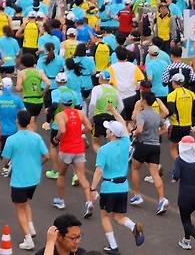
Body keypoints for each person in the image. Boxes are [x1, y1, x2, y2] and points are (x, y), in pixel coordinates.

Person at [90, 111, 145, 254]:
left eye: (108, 129)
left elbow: (99, 171)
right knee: (118, 216)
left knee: (105, 217)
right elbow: (122, 125)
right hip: (123, 186)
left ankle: (113, 246)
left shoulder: (103, 150)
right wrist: (114, 111)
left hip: (109, 187)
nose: (106, 130)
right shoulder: (126, 141)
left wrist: (92, 188)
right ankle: (133, 227)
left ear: (113, 134)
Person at [1, 109, 50, 250]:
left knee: (19, 207)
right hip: (34, 178)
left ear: (17, 121)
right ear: (29, 122)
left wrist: (7, 163)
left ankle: (28, 239)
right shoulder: (36, 137)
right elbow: (47, 156)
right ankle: (31, 227)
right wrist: (38, 165)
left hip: (19, 179)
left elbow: (5, 160)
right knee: (25, 203)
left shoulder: (12, 139)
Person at [53, 91, 94, 218]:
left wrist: (57, 138)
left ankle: (61, 200)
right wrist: (79, 131)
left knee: (61, 175)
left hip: (66, 149)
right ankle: (88, 201)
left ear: (61, 103)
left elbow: (62, 130)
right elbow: (89, 127)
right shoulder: (80, 113)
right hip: (79, 149)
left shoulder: (60, 115)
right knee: (81, 176)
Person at [129, 92, 169, 214]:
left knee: (135, 168)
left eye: (141, 99)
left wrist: (133, 132)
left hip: (143, 145)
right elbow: (165, 129)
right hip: (155, 146)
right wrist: (154, 135)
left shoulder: (142, 114)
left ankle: (137, 195)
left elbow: (139, 130)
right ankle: (162, 199)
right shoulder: (157, 115)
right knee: (155, 173)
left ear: (144, 101)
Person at [172, 136, 195, 253]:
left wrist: (173, 177)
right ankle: (186, 240)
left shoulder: (179, 160)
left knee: (185, 219)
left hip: (185, 195)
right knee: (187, 217)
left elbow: (176, 176)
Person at [107, 46, 145, 124]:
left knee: (121, 121)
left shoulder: (112, 68)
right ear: (127, 56)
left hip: (119, 97)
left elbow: (109, 82)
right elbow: (141, 79)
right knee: (132, 120)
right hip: (132, 96)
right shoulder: (133, 66)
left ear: (116, 56)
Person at [88, 70, 123, 153]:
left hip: (98, 117)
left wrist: (90, 118)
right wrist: (115, 115)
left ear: (101, 78)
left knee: (95, 142)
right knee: (111, 141)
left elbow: (92, 104)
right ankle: (110, 160)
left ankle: (102, 157)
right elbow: (121, 106)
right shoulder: (115, 90)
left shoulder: (96, 89)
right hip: (111, 117)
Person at [0, 77, 26, 164]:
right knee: (13, 150)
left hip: (1, 131)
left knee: (3, 152)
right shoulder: (17, 99)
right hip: (14, 130)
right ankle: (11, 164)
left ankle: (7, 166)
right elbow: (24, 112)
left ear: (1, 87)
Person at [166, 73, 195, 160]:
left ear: (174, 82)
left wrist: (164, 116)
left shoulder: (172, 95)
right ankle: (185, 166)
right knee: (184, 148)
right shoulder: (191, 93)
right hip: (187, 126)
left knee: (173, 148)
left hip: (176, 125)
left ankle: (178, 168)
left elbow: (170, 110)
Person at [17, 52, 51, 130]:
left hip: (28, 100)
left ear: (23, 64)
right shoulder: (39, 72)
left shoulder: (21, 73)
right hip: (39, 100)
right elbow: (48, 83)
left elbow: (18, 88)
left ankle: (31, 139)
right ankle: (33, 137)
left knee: (29, 123)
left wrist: (24, 87)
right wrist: (43, 93)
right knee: (33, 121)